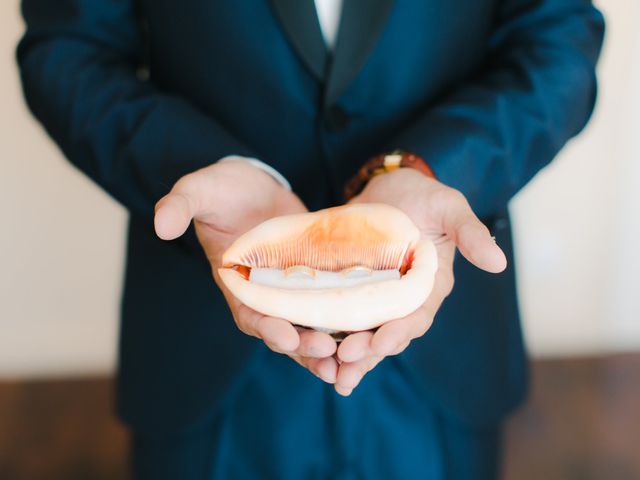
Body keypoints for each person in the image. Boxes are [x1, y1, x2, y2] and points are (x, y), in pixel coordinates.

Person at [17, 0, 604, 478]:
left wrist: (432, 168)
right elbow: (69, 51)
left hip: (439, 356)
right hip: (204, 356)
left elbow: (558, 46)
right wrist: (198, 163)